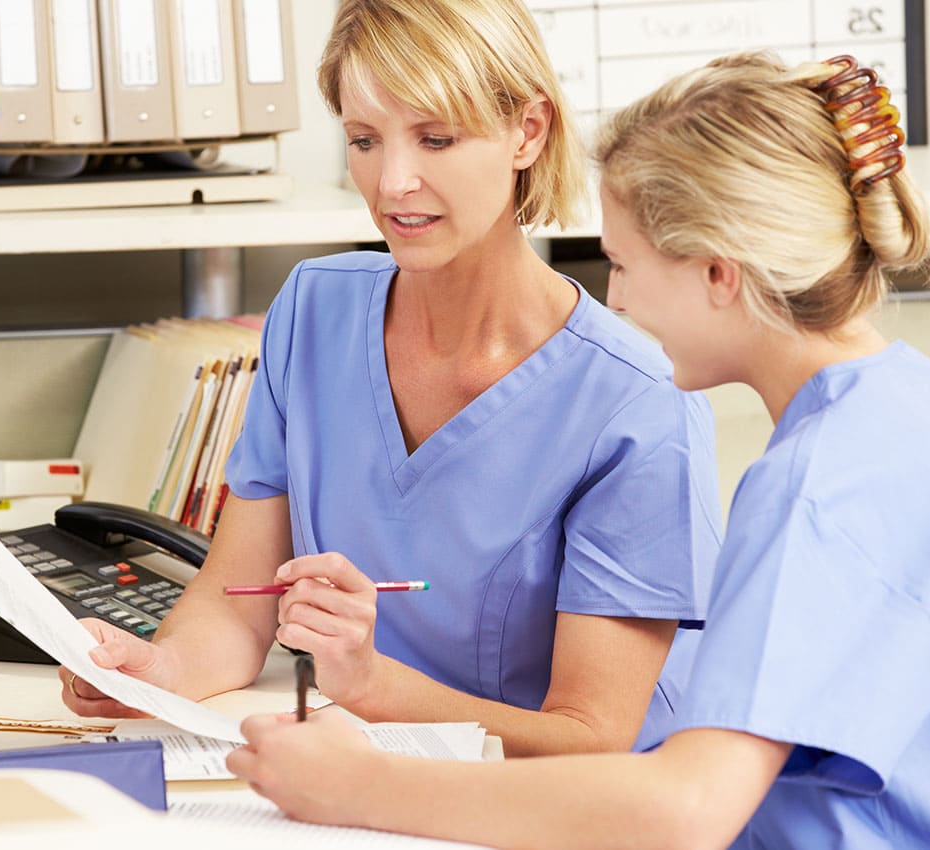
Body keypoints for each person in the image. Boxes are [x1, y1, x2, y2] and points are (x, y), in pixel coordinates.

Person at [225, 52, 930, 849]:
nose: (615, 298)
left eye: (622, 265)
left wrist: (359, 786)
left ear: (719, 274)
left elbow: (686, 810)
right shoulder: (924, 405)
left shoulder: (816, 487)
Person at [60, 0, 722, 758]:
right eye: (364, 140)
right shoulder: (313, 311)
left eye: (436, 139)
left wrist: (372, 685)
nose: (393, 182)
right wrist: (160, 672)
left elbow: (590, 742)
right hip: (377, 770)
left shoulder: (638, 405)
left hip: (552, 804)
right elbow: (237, 604)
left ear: (528, 131)